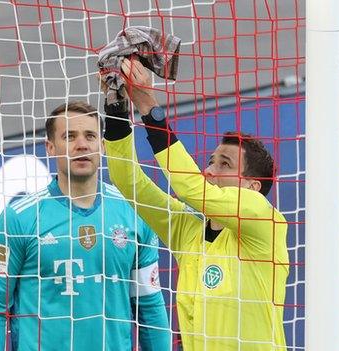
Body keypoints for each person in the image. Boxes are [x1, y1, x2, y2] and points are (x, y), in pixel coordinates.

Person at [102, 58, 289, 350]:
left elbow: (190, 187)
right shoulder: (187, 232)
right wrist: (116, 110)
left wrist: (150, 109)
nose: (210, 171)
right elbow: (129, 183)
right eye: (210, 162)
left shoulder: (263, 218)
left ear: (253, 186)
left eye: (224, 164)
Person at [0, 101, 171, 351]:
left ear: (101, 145)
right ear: (50, 147)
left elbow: (150, 307)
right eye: (69, 136)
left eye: (90, 136)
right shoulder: (19, 218)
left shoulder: (134, 212)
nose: (82, 145)